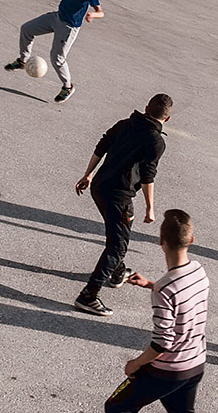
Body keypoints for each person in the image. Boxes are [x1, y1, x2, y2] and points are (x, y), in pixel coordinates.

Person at [78, 209, 216, 413]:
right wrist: (152, 284)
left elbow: (163, 342)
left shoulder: (165, 289)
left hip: (167, 370)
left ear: (160, 242)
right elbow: (184, 298)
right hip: (195, 364)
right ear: (191, 239)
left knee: (117, 410)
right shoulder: (198, 272)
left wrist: (136, 364)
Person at [73, 94, 171, 316]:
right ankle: (88, 296)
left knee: (117, 236)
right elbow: (148, 175)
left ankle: (117, 273)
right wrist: (150, 208)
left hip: (99, 188)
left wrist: (88, 175)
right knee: (117, 246)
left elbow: (102, 146)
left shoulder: (124, 124)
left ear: (146, 108)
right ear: (168, 119)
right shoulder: (156, 141)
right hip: (119, 196)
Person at [5, 0, 103, 103]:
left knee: (57, 59)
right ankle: (22, 61)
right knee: (27, 29)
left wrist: (92, 15)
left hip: (69, 28)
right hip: (56, 17)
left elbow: (100, 12)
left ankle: (68, 87)